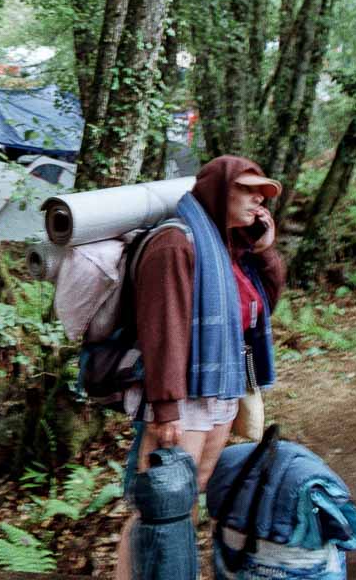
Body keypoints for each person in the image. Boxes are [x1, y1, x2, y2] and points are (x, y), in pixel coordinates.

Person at [115, 155, 287, 579]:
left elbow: (260, 307)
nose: (258, 200)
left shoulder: (228, 248)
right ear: (218, 190)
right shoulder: (176, 243)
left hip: (220, 387)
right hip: (182, 395)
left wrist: (264, 251)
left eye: (262, 193)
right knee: (158, 504)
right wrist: (166, 408)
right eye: (248, 190)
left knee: (188, 497)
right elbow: (163, 327)